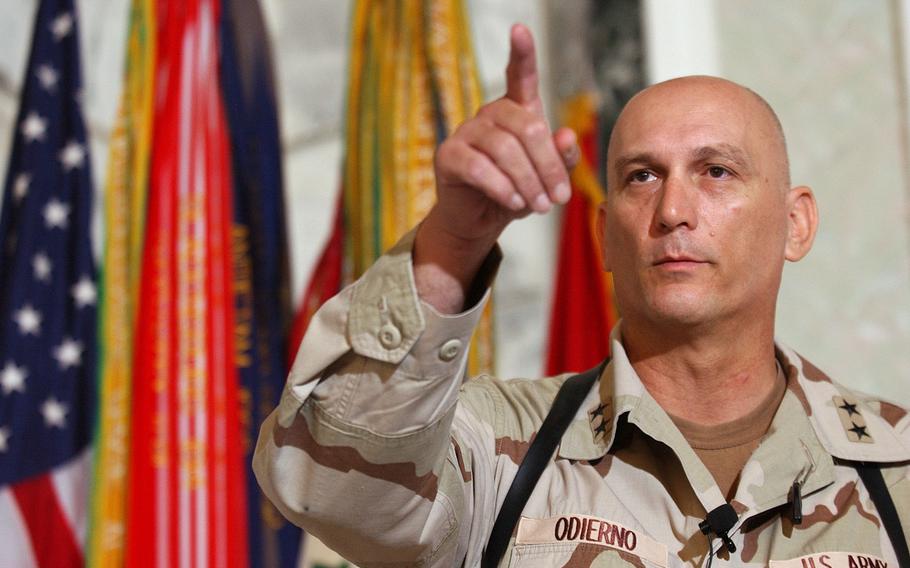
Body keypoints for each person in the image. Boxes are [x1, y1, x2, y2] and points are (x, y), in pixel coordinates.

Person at [254, 24, 910, 567]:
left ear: (796, 224)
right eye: (641, 176)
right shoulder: (499, 447)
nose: (673, 209)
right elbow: (328, 486)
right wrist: (453, 243)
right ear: (603, 236)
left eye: (716, 171)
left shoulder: (898, 469)